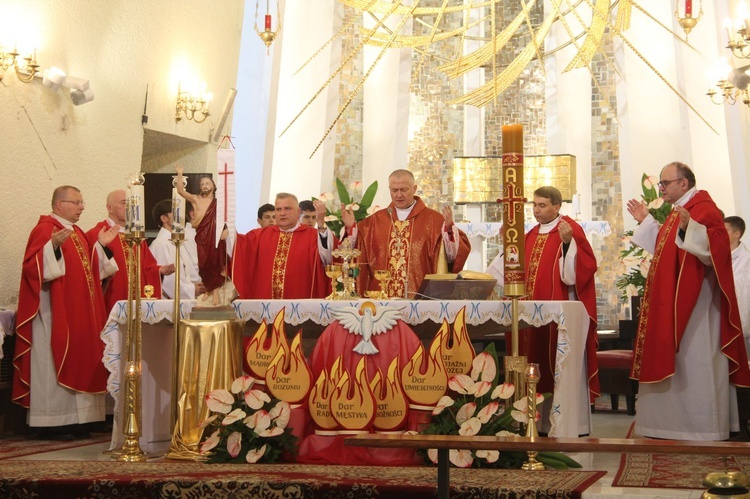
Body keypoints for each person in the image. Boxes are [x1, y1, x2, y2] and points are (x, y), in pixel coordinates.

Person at [627, 161, 750, 440]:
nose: (661, 188)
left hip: (697, 304)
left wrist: (691, 228)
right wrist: (646, 221)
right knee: (676, 357)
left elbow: (714, 250)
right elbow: (664, 245)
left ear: (684, 183)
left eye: (665, 183)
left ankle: (702, 425)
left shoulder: (703, 207)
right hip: (672, 298)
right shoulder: (678, 212)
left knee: (695, 359)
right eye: (660, 183)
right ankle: (666, 424)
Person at [486, 186, 599, 432]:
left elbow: (575, 275)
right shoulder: (530, 234)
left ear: (557, 206)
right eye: (534, 205)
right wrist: (510, 244)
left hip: (556, 317)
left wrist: (568, 244)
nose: (537, 210)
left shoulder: (569, 229)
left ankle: (559, 423)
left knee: (552, 363)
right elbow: (509, 271)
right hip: (528, 314)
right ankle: (527, 421)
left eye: (543, 205)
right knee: (529, 355)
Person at [13, 186, 120, 439]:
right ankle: (53, 422)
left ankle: (80, 420)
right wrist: (52, 246)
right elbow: (33, 268)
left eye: (82, 202)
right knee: (54, 361)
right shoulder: (45, 229)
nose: (82, 207)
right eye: (77, 202)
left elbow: (91, 271)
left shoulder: (77, 233)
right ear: (59, 204)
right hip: (54, 312)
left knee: (82, 356)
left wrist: (100, 248)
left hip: (80, 310)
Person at [349, 169, 470, 298]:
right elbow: (354, 252)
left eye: (403, 190)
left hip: (419, 298)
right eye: (394, 190)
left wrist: (449, 230)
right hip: (381, 300)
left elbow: (451, 258)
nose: (398, 195)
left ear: (414, 188)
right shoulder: (375, 222)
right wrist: (351, 227)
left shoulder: (434, 220)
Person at [231, 193, 332, 299]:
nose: (282, 213)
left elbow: (328, 258)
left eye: (287, 208)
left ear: (298, 212)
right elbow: (237, 247)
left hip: (300, 305)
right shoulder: (259, 236)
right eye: (278, 209)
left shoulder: (313, 236)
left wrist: (321, 224)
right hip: (265, 306)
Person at [85, 189, 166, 313]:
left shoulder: (136, 237)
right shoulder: (96, 234)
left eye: (130, 203)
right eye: (123, 203)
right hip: (111, 300)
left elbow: (147, 267)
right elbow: (90, 272)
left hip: (136, 303)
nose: (128, 207)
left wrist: (160, 271)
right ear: (109, 208)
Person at [175, 166, 228, 305]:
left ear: (213, 186)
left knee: (215, 263)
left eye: (207, 183)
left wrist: (226, 230)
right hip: (202, 235)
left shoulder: (218, 202)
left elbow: (226, 217)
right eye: (202, 184)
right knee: (204, 263)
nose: (205, 186)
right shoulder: (196, 199)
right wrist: (180, 174)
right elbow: (180, 191)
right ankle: (208, 290)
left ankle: (215, 292)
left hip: (215, 235)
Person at [149, 199, 205, 299]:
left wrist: (197, 284)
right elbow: (168, 280)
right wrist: (192, 290)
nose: (181, 216)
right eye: (176, 212)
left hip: (186, 299)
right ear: (164, 218)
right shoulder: (161, 244)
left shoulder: (177, 242)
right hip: (170, 303)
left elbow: (189, 270)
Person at [725, 216, 750, 353]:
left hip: (742, 326)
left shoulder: (747, 261)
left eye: (726, 230)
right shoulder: (718, 257)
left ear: (737, 234)